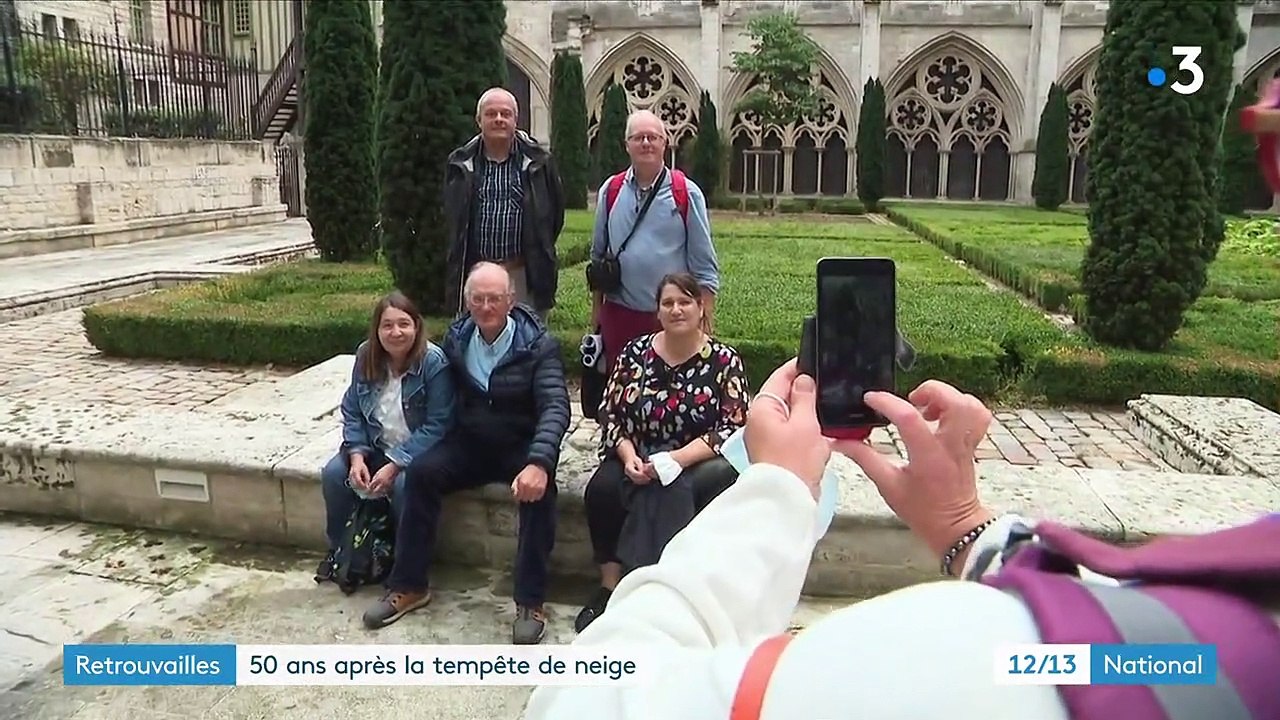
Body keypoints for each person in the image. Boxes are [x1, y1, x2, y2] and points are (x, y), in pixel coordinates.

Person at [522, 359, 1280, 719]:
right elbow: (1105, 644)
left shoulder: (969, 670)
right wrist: (965, 531)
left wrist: (777, 490)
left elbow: (586, 699)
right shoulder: (1209, 647)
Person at [363, 262, 572, 645]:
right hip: (470, 443)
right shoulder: (457, 339)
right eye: (478, 298)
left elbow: (556, 406)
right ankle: (409, 585)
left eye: (495, 298)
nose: (486, 306)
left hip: (519, 445)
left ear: (511, 300)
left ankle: (530, 601)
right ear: (468, 302)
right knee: (421, 474)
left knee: (542, 492)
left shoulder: (538, 344)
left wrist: (539, 462)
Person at [575, 272, 748, 633]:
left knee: (673, 490)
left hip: (696, 458)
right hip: (636, 451)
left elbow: (732, 425)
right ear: (657, 310)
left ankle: (663, 591)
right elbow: (608, 411)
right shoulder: (634, 353)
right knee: (602, 490)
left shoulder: (723, 361)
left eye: (685, 302)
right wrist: (627, 456)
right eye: (667, 303)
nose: (676, 309)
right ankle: (610, 587)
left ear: (701, 308)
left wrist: (677, 459)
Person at [319, 292, 455, 566]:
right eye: (387, 325)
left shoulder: (433, 362)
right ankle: (344, 551)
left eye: (404, 324)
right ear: (377, 329)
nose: (396, 332)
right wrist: (357, 456)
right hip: (375, 446)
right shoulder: (366, 355)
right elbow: (353, 409)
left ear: (416, 327)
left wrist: (395, 464)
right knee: (335, 475)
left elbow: (438, 423)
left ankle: (403, 558)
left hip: (416, 452)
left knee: (407, 486)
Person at [588, 110, 720, 371]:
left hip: (671, 318)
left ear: (664, 142)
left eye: (652, 137)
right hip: (620, 315)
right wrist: (596, 320)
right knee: (623, 395)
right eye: (638, 138)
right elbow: (598, 258)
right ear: (627, 145)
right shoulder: (611, 191)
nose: (646, 143)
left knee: (670, 399)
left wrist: (705, 324)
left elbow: (704, 267)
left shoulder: (686, 193)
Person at [444, 87, 566, 319]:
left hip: (522, 274)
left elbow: (554, 217)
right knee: (473, 345)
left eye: (505, 113)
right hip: (476, 273)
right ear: (479, 120)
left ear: (515, 119)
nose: (499, 119)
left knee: (528, 346)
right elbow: (453, 219)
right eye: (491, 114)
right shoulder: (459, 163)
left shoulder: (540, 162)